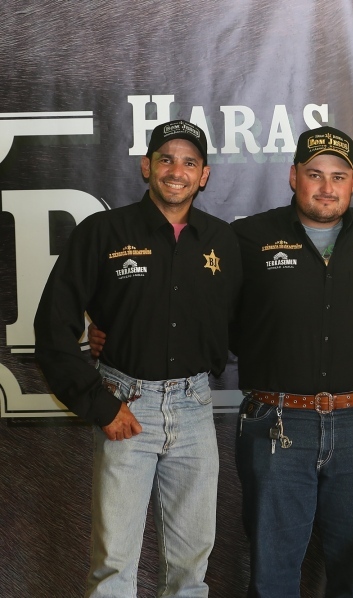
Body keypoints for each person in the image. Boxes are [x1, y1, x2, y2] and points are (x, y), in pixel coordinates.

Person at [34, 119, 242, 597]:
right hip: (126, 405)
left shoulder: (221, 241)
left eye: (189, 162)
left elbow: (241, 323)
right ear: (147, 166)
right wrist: (99, 403)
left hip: (193, 410)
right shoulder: (103, 232)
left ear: (204, 175)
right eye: (166, 158)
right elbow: (51, 328)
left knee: (191, 572)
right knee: (113, 568)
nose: (176, 170)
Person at [230, 126, 353, 597]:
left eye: (338, 176)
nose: (326, 187)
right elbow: (190, 298)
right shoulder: (248, 237)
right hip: (277, 422)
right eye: (314, 174)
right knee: (272, 574)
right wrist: (112, 331)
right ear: (293, 177)